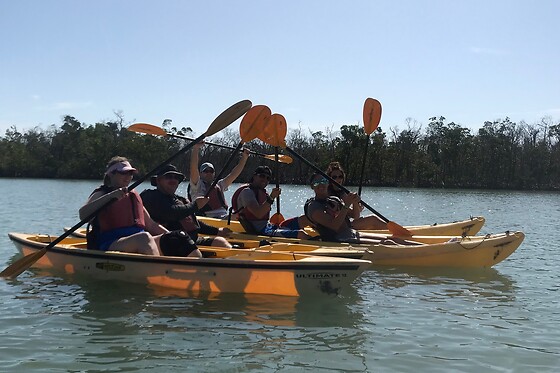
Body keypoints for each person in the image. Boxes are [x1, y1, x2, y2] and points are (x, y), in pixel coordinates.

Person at [79, 156, 199, 257]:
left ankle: (201, 271)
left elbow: (151, 224)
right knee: (144, 238)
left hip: (136, 239)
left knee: (178, 237)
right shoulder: (102, 193)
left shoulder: (132, 194)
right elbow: (83, 215)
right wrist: (111, 196)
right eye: (123, 173)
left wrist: (171, 236)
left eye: (130, 173)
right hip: (111, 243)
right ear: (111, 175)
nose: (128, 176)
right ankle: (159, 273)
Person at [305, 173, 415, 244]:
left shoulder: (334, 199)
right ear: (312, 186)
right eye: (316, 183)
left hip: (350, 233)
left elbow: (355, 217)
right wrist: (346, 205)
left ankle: (430, 248)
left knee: (392, 239)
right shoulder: (314, 207)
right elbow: (334, 226)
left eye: (323, 181)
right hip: (337, 240)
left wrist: (355, 203)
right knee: (388, 243)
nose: (321, 185)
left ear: (328, 183)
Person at [140, 164, 233, 248]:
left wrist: (217, 231)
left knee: (220, 241)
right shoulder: (150, 196)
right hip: (170, 243)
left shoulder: (180, 200)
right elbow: (171, 213)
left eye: (176, 178)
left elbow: (193, 222)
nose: (173, 180)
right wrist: (195, 205)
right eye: (168, 177)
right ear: (158, 180)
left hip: (191, 241)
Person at [231, 165, 311, 239]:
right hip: (261, 231)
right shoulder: (247, 192)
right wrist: (272, 197)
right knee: (301, 233)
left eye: (268, 178)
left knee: (307, 219)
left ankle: (322, 237)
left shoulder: (263, 193)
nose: (265, 180)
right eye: (262, 176)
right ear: (254, 176)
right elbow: (258, 214)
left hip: (270, 227)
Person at [188, 142, 250, 219]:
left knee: (242, 216)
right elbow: (193, 169)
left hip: (223, 217)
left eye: (211, 171)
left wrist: (244, 158)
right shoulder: (197, 184)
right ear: (200, 174)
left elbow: (234, 174)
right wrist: (196, 149)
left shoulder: (219, 184)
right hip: (207, 218)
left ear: (214, 173)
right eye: (206, 171)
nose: (209, 173)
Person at [326, 161, 387, 230]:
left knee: (372, 223)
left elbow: (356, 216)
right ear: (329, 179)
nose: (338, 179)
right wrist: (354, 206)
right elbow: (354, 215)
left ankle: (394, 232)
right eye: (334, 177)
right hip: (339, 227)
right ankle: (397, 233)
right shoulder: (329, 194)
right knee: (373, 219)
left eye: (340, 176)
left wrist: (355, 203)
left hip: (346, 224)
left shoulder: (342, 193)